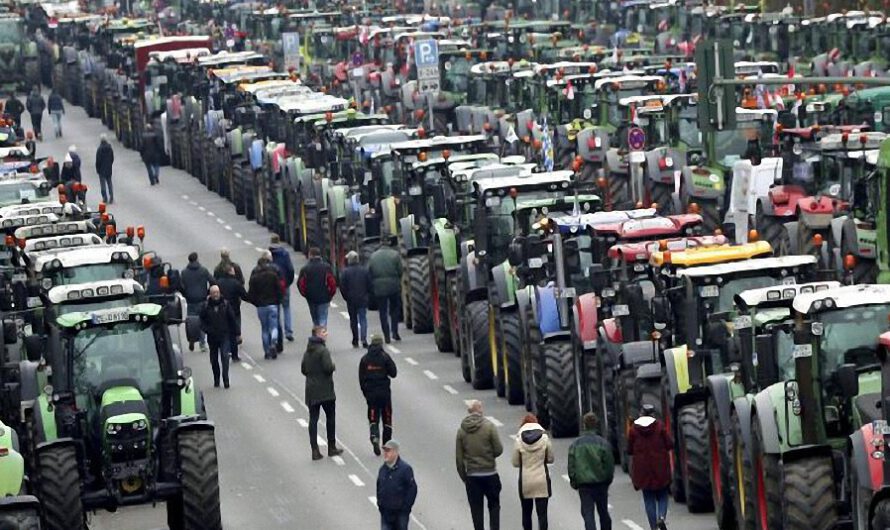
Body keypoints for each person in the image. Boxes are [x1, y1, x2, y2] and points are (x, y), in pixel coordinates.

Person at [456, 400, 504, 530]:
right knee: (494, 505)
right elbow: (499, 449)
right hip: (490, 473)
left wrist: (465, 477)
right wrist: (489, 456)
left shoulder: (462, 431)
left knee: (476, 509)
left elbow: (459, 459)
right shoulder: (489, 427)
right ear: (480, 410)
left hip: (472, 475)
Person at [628, 404, 672, 530]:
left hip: (642, 469)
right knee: (663, 495)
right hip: (660, 467)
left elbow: (629, 449)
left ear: (641, 413)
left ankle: (653, 527)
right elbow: (669, 444)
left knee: (648, 498)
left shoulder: (633, 430)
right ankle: (661, 517)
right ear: (653, 414)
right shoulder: (659, 427)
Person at [301, 326, 343, 460]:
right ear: (318, 335)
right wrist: (333, 366)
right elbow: (327, 367)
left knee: (313, 419)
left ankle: (314, 450)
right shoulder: (323, 351)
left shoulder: (307, 351)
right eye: (324, 332)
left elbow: (304, 369)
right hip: (325, 390)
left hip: (311, 390)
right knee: (330, 417)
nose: (326, 334)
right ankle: (331, 446)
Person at [568, 412, 615, 530]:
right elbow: (609, 465)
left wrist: (574, 481)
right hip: (600, 483)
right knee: (603, 512)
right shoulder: (603, 443)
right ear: (596, 425)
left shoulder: (576, 444)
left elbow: (571, 465)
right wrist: (607, 481)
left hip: (584, 485)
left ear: (584, 425)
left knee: (588, 514)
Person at [511, 414, 554, 530]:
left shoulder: (519, 440)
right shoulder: (544, 438)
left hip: (525, 482)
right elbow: (550, 458)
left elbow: (515, 462)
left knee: (526, 513)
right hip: (542, 481)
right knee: (542, 514)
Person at [359, 334, 398, 455]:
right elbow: (393, 373)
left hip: (371, 394)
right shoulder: (385, 357)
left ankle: (374, 436)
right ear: (381, 344)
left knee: (373, 417)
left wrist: (366, 393)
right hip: (384, 394)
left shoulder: (364, 359)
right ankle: (386, 445)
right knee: (387, 419)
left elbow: (361, 379)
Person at [199, 285, 237, 388]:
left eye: (217, 292)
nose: (216, 294)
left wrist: (236, 333)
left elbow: (232, 319)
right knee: (214, 359)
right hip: (212, 337)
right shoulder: (206, 306)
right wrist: (207, 330)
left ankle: (226, 378)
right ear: (210, 294)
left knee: (225, 356)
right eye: (213, 293)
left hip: (224, 335)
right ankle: (216, 378)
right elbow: (201, 320)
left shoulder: (225, 304)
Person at [376, 439, 417, 530]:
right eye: (385, 451)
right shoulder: (382, 469)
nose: (385, 453)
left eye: (388, 451)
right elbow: (379, 487)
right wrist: (380, 504)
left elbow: (412, 490)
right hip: (386, 513)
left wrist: (405, 509)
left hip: (400, 514)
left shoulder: (405, 469)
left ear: (395, 452)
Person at [248, 251, 282, 359]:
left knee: (264, 329)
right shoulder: (273, 275)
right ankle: (274, 342)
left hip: (261, 306)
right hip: (273, 304)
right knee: (274, 326)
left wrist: (256, 303)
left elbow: (251, 293)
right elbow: (279, 289)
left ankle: (267, 351)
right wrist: (278, 300)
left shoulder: (254, 277)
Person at [368, 236, 402, 343]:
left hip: (379, 287)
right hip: (393, 286)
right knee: (394, 310)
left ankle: (386, 336)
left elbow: (370, 272)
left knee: (382, 312)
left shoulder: (373, 256)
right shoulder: (395, 255)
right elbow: (400, 271)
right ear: (389, 243)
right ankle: (395, 332)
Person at [179, 252, 214, 352]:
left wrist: (185, 293)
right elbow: (212, 281)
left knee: (191, 322)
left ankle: (192, 339)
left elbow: (181, 286)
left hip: (190, 300)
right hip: (202, 299)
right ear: (197, 259)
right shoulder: (203, 271)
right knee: (202, 321)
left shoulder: (184, 272)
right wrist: (207, 292)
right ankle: (202, 343)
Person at [297, 246, 336, 328]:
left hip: (311, 298)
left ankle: (317, 335)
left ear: (310, 255)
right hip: (324, 297)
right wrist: (330, 295)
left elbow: (301, 284)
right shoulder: (326, 267)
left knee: (315, 319)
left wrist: (306, 295)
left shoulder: (305, 269)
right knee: (323, 318)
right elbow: (332, 283)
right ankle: (321, 337)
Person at [216, 265, 247, 362]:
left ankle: (225, 352)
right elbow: (244, 295)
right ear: (230, 272)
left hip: (221, 310)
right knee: (233, 333)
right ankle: (234, 355)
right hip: (234, 310)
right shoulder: (236, 283)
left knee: (224, 332)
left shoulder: (219, 283)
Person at [340, 250, 371, 347]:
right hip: (362, 299)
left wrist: (346, 297)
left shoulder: (345, 272)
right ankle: (364, 339)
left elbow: (342, 287)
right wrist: (367, 295)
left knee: (353, 320)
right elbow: (369, 285)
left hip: (351, 300)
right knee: (363, 319)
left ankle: (355, 340)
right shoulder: (364, 270)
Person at [270, 234, 295, 342]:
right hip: (284, 284)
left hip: (273, 287)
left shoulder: (268, 255)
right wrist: (288, 282)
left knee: (276, 310)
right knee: (286, 307)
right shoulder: (285, 254)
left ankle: (277, 331)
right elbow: (290, 269)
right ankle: (288, 331)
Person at [95, 134, 115, 204]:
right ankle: (111, 197)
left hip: (101, 169)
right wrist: (110, 164)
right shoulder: (110, 148)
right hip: (109, 168)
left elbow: (98, 160)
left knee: (103, 184)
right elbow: (112, 158)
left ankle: (105, 197)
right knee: (109, 183)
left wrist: (97, 169)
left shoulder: (99, 149)